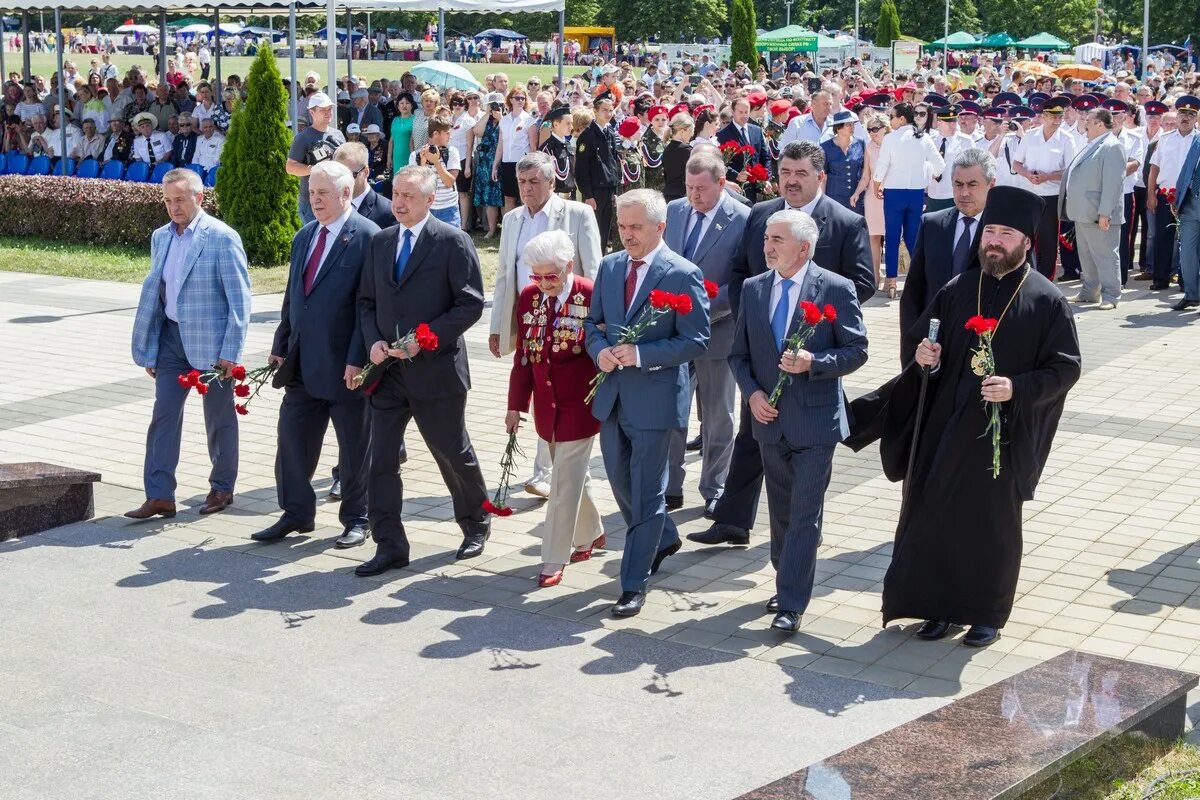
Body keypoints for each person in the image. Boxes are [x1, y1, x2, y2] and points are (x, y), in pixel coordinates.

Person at [848, 185, 1081, 648]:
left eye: (1006, 233)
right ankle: (935, 609)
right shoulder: (959, 288)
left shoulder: (1046, 300)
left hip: (1002, 437)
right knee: (933, 518)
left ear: (1026, 242)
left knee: (988, 526)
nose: (994, 241)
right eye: (990, 231)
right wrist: (926, 356)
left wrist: (1017, 388)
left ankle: (985, 614)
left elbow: (1065, 368)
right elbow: (925, 340)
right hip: (944, 425)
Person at [689, 139, 874, 550]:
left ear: (820, 177)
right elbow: (740, 271)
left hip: (813, 356)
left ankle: (795, 539)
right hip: (761, 349)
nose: (791, 182)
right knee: (754, 433)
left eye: (801, 174)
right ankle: (733, 520)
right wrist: (753, 319)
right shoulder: (762, 215)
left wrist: (815, 316)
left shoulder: (843, 222)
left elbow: (863, 283)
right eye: (785, 173)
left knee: (796, 443)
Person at [728, 209, 868, 631]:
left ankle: (791, 604)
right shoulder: (753, 289)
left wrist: (814, 361)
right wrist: (752, 394)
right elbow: (739, 355)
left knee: (806, 513)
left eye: (777, 240)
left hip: (815, 423)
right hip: (768, 421)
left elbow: (857, 350)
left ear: (803, 248)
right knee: (782, 513)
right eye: (766, 238)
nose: (767, 246)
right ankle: (786, 578)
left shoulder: (836, 288)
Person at [355, 166, 491, 576]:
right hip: (389, 375)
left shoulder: (452, 241)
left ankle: (475, 523)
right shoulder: (380, 243)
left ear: (431, 200)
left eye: (409, 196)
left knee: (451, 452)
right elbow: (366, 302)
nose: (398, 202)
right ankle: (389, 544)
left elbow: (469, 303)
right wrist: (373, 342)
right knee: (380, 460)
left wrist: (428, 337)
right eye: (396, 193)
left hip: (436, 371)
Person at [582, 189, 710, 617]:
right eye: (622, 226)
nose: (627, 235)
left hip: (655, 401)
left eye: (636, 227)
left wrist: (641, 355)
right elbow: (592, 322)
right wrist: (598, 348)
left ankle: (633, 582)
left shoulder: (682, 273)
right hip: (613, 396)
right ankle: (665, 536)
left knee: (649, 490)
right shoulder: (611, 265)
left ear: (660, 226)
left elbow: (696, 339)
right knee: (621, 481)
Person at [254, 161, 379, 548]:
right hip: (303, 364)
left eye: (322, 192)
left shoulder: (368, 237)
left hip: (347, 367)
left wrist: (358, 359)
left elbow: (367, 306)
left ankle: (358, 518)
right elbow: (294, 297)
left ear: (345, 194)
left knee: (355, 447)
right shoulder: (305, 236)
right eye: (311, 192)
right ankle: (296, 513)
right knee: (292, 440)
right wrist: (280, 345)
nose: (315, 199)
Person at [125, 169, 251, 520]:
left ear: (199, 198)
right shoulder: (160, 237)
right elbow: (158, 294)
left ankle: (222, 487)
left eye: (179, 199)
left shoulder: (222, 237)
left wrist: (231, 353)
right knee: (163, 414)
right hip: (170, 340)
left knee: (219, 418)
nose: (173, 207)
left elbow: (240, 302)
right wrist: (151, 347)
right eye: (167, 200)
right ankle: (160, 495)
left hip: (212, 347)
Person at [489, 151, 603, 496]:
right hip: (529, 315)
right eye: (522, 182)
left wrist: (594, 326)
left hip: (570, 318)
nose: (526, 189)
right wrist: (497, 326)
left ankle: (547, 472)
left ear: (552, 182)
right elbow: (505, 275)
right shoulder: (512, 220)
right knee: (535, 382)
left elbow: (593, 269)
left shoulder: (577, 214)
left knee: (557, 389)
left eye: (534, 182)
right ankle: (548, 472)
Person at [506, 230, 604, 587]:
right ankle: (592, 532)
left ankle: (552, 559)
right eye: (538, 275)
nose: (545, 283)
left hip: (581, 406)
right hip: (547, 409)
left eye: (552, 275)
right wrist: (516, 405)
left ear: (568, 266)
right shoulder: (530, 297)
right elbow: (524, 357)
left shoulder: (591, 295)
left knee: (562, 484)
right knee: (573, 475)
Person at [663, 149, 749, 515]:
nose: (694, 196)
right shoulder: (675, 211)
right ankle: (670, 485)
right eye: (689, 187)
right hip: (675, 334)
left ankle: (715, 487)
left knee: (717, 418)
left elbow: (744, 279)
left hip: (718, 331)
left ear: (722, 183)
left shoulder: (744, 218)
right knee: (671, 413)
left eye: (701, 188)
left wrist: (703, 309)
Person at [900, 148, 994, 350]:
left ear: (991, 184)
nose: (964, 192)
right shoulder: (932, 224)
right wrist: (911, 346)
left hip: (982, 344)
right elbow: (914, 291)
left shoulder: (1004, 232)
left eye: (972, 185)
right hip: (935, 343)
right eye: (958, 185)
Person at [873, 102, 946, 299]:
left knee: (892, 237)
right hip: (916, 193)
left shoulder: (891, 138)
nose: (890, 121)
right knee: (913, 237)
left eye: (892, 117)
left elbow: (882, 165)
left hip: (895, 193)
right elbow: (940, 166)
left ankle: (891, 282)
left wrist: (876, 183)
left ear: (902, 118)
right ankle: (918, 281)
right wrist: (924, 174)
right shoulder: (924, 137)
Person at [1061, 107, 1127, 310]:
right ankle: (1089, 292)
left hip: (1100, 214)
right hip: (1084, 212)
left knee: (1106, 255)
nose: (1085, 122)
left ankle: (1111, 295)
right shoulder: (1093, 143)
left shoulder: (1112, 146)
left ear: (1100, 124)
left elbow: (1113, 183)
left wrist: (1105, 212)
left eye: (1089, 119)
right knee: (1087, 256)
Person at [1013, 96, 1076, 280]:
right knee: (1028, 237)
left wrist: (1047, 176)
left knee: (1048, 241)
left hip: (1052, 195)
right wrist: (1027, 174)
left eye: (1060, 117)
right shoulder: (1031, 135)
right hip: (1029, 194)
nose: (1057, 121)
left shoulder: (1066, 138)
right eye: (1053, 116)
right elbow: (1016, 163)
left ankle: (1045, 278)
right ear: (1044, 116)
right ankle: (1027, 274)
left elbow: (1070, 169)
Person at [1147, 96, 1198, 291]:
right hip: (1165, 194)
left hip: (1190, 197)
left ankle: (1187, 281)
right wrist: (1151, 194)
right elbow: (1154, 168)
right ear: (1177, 116)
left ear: (1196, 119)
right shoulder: (1165, 139)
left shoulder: (1198, 140)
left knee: (1188, 241)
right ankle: (1160, 278)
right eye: (1183, 114)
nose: (1186, 118)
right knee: (1163, 238)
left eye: (1191, 115)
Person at [286, 92, 345, 225]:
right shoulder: (303, 138)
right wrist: (317, 169)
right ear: (312, 113)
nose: (328, 113)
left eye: (329, 109)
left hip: (336, 198)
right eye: (323, 110)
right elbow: (290, 167)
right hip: (312, 203)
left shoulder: (338, 135)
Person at [575, 93, 620, 252]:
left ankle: (600, 256)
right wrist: (588, 195)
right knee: (593, 229)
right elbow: (581, 169)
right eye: (604, 110)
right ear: (595, 111)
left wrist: (615, 188)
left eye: (611, 110)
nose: (608, 114)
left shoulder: (610, 132)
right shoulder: (587, 136)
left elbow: (613, 162)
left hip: (608, 188)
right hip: (595, 190)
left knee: (604, 229)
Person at [853, 111, 888, 287]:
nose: (872, 133)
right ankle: (875, 278)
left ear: (885, 128)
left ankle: (891, 278)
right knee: (873, 238)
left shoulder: (894, 145)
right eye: (869, 129)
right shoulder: (869, 148)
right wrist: (857, 192)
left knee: (893, 239)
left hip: (891, 195)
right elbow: (866, 176)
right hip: (872, 198)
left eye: (875, 129)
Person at [409, 117, 462, 226]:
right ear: (436, 134)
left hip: (449, 209)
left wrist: (436, 162)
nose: (450, 136)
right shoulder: (416, 155)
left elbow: (450, 182)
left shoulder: (452, 152)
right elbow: (417, 186)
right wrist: (423, 163)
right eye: (447, 133)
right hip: (426, 209)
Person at [925, 104, 974, 213]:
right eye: (948, 122)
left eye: (954, 121)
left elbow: (973, 167)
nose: (953, 125)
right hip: (933, 193)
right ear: (939, 122)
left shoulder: (965, 141)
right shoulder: (929, 140)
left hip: (954, 194)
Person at [716, 97, 767, 200]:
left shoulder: (756, 130)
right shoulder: (723, 135)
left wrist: (766, 178)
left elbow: (765, 157)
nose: (744, 115)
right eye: (740, 112)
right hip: (737, 188)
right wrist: (736, 175)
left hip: (758, 187)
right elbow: (720, 163)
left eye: (746, 112)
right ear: (732, 112)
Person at [468, 93, 504, 237]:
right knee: (489, 196)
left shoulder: (506, 119)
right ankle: (491, 229)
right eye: (493, 105)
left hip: (501, 159)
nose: (496, 107)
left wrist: (500, 117)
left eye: (499, 105)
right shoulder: (487, 120)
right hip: (485, 161)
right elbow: (476, 131)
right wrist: (487, 114)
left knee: (502, 196)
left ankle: (504, 228)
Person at [334, 141, 392, 229]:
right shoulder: (329, 205)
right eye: (337, 175)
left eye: (350, 175)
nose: (343, 181)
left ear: (366, 172)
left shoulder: (388, 212)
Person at [494, 86, 533, 214]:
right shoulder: (504, 120)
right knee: (508, 198)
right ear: (511, 100)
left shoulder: (529, 120)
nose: (520, 100)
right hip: (507, 163)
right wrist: (495, 165)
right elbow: (501, 144)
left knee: (525, 198)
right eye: (517, 98)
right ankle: (509, 229)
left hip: (523, 164)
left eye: (523, 98)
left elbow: (533, 147)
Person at [1173, 131, 1200, 310]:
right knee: (1187, 253)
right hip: (1191, 203)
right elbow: (1186, 169)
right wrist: (1177, 197)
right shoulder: (1198, 139)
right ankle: (1192, 295)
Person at [821, 109, 866, 214]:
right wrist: (822, 200)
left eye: (852, 124)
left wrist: (860, 190)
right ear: (838, 128)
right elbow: (823, 177)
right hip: (834, 197)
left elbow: (864, 170)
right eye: (848, 125)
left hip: (856, 197)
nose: (852, 127)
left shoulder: (860, 143)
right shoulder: (825, 147)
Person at [537, 105, 575, 196]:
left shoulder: (567, 144)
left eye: (572, 123)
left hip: (569, 193)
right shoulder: (547, 148)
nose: (571, 127)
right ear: (556, 124)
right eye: (568, 123)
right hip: (555, 195)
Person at [661, 111, 695, 203]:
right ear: (682, 131)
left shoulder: (667, 148)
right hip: (682, 196)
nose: (692, 134)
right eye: (691, 130)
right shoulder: (686, 150)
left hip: (668, 195)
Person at [385, 91, 417, 183]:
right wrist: (389, 157)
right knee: (397, 181)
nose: (404, 106)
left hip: (409, 155)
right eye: (401, 103)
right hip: (396, 156)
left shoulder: (415, 120)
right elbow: (391, 140)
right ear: (398, 106)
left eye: (407, 103)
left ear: (412, 105)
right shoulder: (395, 120)